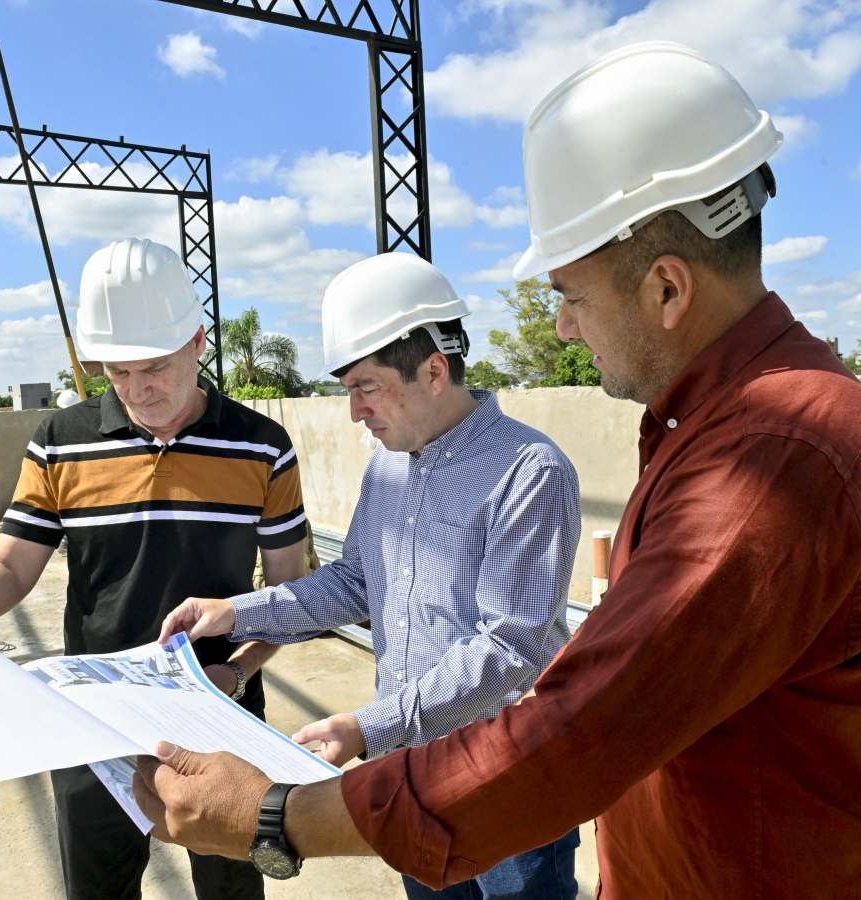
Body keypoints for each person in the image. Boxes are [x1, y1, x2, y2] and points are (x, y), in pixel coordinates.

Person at [131, 42, 861, 899]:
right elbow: (369, 590)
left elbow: (576, 728)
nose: (561, 327)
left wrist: (281, 817)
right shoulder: (721, 432)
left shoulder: (776, 460)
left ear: (667, 289)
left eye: (571, 292)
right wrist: (245, 612)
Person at [0, 237, 310, 900]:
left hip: (222, 721)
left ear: (197, 341)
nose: (136, 389)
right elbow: (9, 574)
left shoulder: (261, 447)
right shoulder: (59, 443)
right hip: (92, 728)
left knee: (230, 891)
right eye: (116, 371)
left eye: (154, 367)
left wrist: (237, 671)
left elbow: (294, 598)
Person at [158, 251, 584, 898]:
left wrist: (366, 726)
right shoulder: (388, 466)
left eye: (366, 387)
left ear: (435, 370)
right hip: (412, 776)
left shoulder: (528, 471)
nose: (354, 411)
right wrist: (236, 612)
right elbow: (354, 583)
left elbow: (508, 647)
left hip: (506, 780)